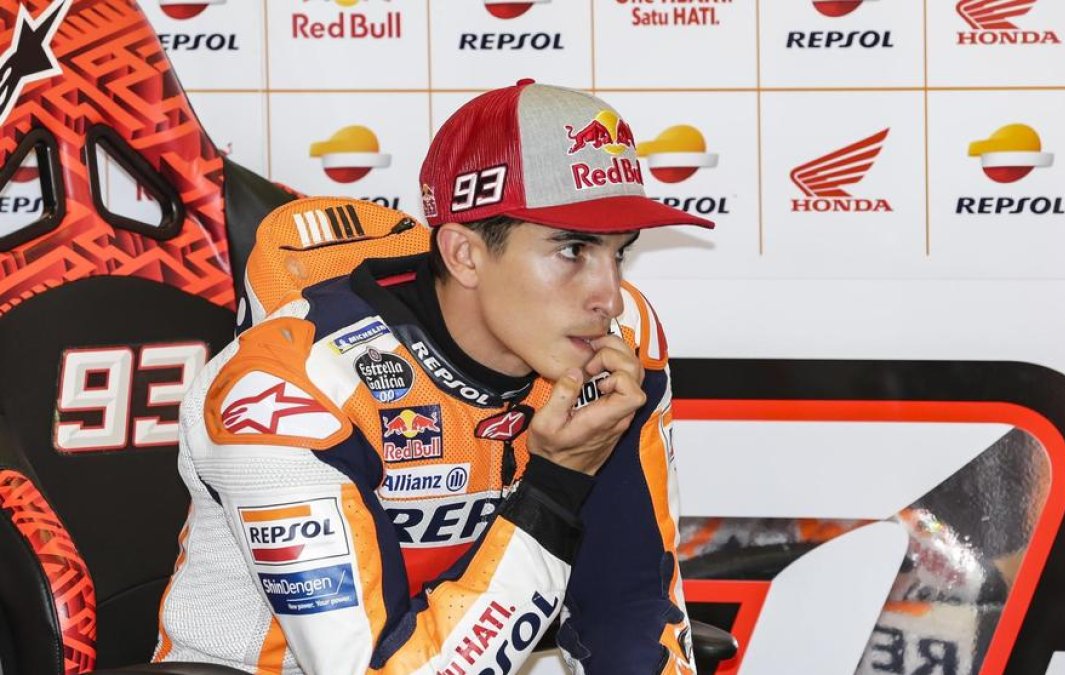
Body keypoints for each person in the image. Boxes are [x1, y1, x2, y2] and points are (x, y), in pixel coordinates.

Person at [153, 80, 714, 674]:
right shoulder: (287, 391)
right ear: (463, 254)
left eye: (618, 252)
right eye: (573, 250)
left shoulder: (617, 342)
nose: (610, 296)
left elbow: (627, 605)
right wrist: (554, 486)